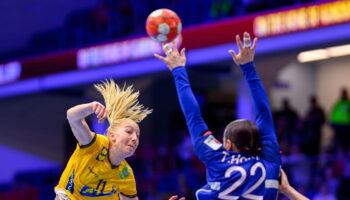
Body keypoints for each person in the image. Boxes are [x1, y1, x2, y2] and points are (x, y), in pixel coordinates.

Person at [155, 32, 281, 199]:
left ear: (228, 144)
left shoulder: (217, 157)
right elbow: (264, 113)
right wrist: (248, 67)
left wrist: (178, 70)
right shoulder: (269, 160)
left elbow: (194, 117)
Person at [54, 80, 152, 200]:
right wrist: (91, 107)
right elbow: (72, 116)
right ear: (112, 135)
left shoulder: (126, 174)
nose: (134, 138)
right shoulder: (95, 145)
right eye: (129, 131)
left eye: (137, 135)